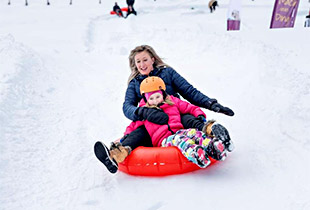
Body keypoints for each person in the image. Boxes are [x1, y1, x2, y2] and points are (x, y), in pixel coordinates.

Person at [94, 45, 234, 173]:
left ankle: (213, 133)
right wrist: (142, 112)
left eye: (145, 60)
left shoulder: (167, 73)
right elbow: (127, 107)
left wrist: (211, 104)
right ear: (134, 65)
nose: (142, 65)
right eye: (138, 62)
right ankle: (115, 155)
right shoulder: (135, 83)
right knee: (138, 134)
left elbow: (189, 92)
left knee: (190, 120)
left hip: (175, 113)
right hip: (151, 120)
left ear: (153, 59)